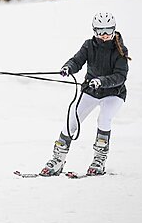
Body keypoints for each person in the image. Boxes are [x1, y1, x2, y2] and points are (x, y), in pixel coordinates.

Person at [40, 11, 131, 177]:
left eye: (109, 31)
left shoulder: (120, 50)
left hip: (114, 93)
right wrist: (68, 67)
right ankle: (57, 159)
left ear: (114, 30)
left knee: (104, 118)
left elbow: (120, 76)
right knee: (72, 119)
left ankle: (99, 160)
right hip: (91, 91)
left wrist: (101, 81)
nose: (105, 35)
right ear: (94, 31)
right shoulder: (89, 45)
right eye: (101, 31)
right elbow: (77, 60)